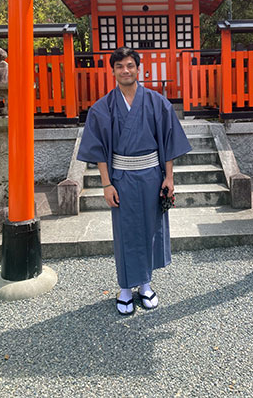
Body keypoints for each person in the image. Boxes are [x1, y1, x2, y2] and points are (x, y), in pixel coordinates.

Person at [77, 47, 191, 315]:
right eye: (120, 67)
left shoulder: (156, 102)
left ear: (138, 69)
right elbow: (99, 150)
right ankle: (126, 288)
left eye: (130, 65)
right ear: (113, 71)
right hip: (122, 178)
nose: (125, 70)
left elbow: (168, 140)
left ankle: (146, 285)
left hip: (152, 175)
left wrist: (169, 177)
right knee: (126, 232)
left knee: (151, 229)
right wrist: (106, 184)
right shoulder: (102, 107)